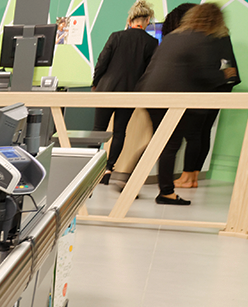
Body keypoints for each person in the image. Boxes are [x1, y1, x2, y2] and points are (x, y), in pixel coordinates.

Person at [137, 2, 236, 205]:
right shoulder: (204, 39)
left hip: (150, 93)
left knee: (158, 142)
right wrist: (226, 74)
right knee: (171, 144)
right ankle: (166, 192)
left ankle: (131, 180)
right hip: (175, 97)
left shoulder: (173, 36)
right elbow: (204, 74)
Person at [91, 0, 159, 184]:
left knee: (98, 130)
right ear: (147, 20)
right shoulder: (152, 42)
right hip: (130, 93)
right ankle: (108, 169)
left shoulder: (116, 36)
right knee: (119, 131)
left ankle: (88, 167)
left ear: (130, 20)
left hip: (107, 89)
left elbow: (102, 62)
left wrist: (96, 83)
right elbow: (149, 72)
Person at [177, 6, 237, 188]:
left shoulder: (207, 37)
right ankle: (193, 176)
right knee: (203, 132)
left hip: (207, 88)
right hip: (221, 89)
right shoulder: (223, 35)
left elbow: (207, 69)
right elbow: (228, 68)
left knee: (195, 133)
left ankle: (187, 177)